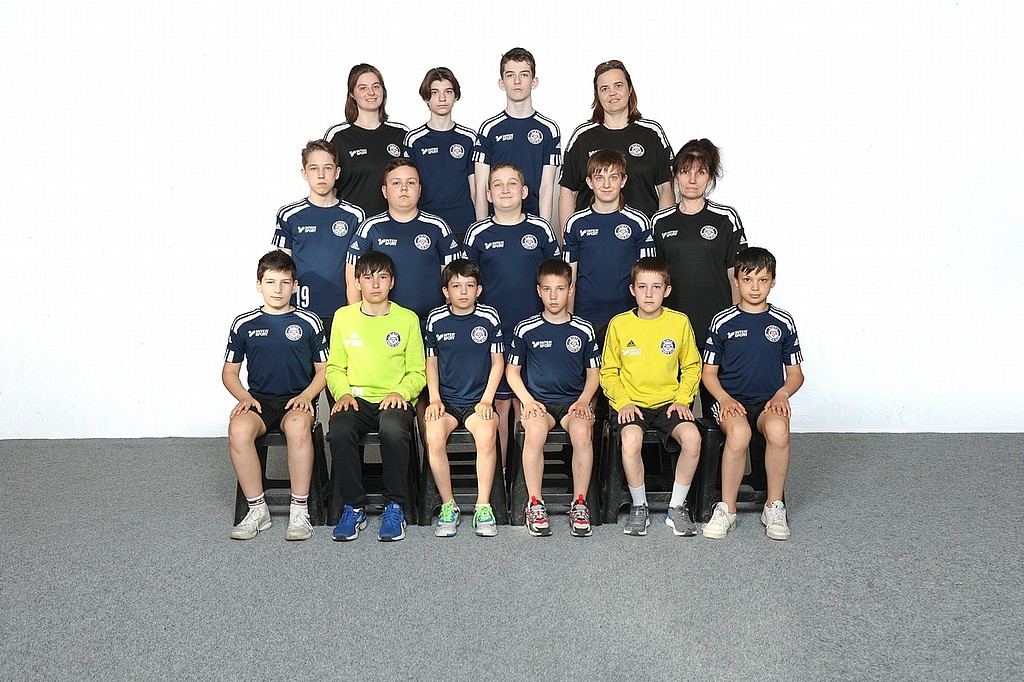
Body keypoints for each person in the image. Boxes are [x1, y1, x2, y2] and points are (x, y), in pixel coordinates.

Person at [222, 250, 328, 542]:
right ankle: (257, 510)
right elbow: (229, 372)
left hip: (297, 399)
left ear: (295, 286)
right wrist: (244, 397)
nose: (277, 289)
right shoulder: (244, 323)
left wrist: (307, 395)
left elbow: (324, 370)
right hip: (259, 401)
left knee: (297, 426)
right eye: (270, 282)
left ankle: (299, 510)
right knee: (238, 429)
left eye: (284, 282)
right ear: (259, 285)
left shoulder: (309, 321)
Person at [701, 247, 804, 541]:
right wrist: (724, 399)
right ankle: (727, 509)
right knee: (739, 434)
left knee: (779, 431)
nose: (755, 287)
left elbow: (796, 374)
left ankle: (774, 505)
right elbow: (708, 373)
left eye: (762, 280)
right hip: (732, 402)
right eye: (748, 280)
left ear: (773, 281)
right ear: (736, 281)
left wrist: (782, 394)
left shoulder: (783, 322)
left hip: (768, 402)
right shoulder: (722, 321)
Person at [463, 163, 560, 468]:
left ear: (525, 191)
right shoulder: (478, 233)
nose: (505, 190)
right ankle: (504, 476)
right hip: (494, 333)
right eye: (498, 185)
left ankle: (522, 476)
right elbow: (467, 283)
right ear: (488, 194)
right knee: (501, 403)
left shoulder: (541, 229)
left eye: (512, 184)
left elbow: (557, 278)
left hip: (535, 332)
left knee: (527, 403)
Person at [326, 251, 426, 542]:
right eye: (368, 277)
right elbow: (334, 368)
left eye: (382, 277)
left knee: (393, 429)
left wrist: (401, 392)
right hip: (355, 398)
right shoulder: (343, 317)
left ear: (392, 282)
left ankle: (394, 506)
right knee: (339, 429)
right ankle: (353, 507)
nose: (375, 284)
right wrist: (343, 393)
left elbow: (417, 372)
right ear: (357, 282)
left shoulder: (407, 319)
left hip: (393, 399)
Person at [600, 257, 703, 537]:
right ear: (632, 290)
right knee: (631, 440)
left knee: (692, 439)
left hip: (669, 402)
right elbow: (608, 371)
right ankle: (639, 506)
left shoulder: (679, 322)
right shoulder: (619, 324)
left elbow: (692, 366)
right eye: (642, 287)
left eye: (656, 287)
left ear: (667, 291)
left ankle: (677, 507)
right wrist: (623, 402)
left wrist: (682, 399)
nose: (649, 294)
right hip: (632, 403)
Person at [506, 259, 601, 537]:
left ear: (570, 290)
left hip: (573, 404)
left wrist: (584, 400)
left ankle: (579, 503)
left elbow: (594, 373)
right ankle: (535, 503)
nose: (553, 296)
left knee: (582, 433)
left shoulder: (583, 329)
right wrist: (527, 401)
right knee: (535, 432)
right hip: (540, 404)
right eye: (547, 289)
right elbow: (512, 372)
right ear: (538, 291)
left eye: (560, 289)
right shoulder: (526, 328)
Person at [651, 138, 747, 414]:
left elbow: (737, 275)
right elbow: (652, 280)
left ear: (710, 177)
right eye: (685, 172)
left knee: (721, 409)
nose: (692, 179)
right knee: (674, 411)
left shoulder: (726, 218)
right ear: (675, 176)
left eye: (700, 172)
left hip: (715, 327)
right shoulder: (660, 222)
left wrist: (736, 323)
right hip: (673, 329)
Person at [423, 259, 505, 538]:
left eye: (470, 286)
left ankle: (483, 506)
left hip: (478, 401)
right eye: (456, 286)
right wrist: (435, 399)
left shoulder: (489, 317)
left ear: (479, 290)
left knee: (487, 434)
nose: (463, 291)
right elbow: (431, 363)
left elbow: (498, 362)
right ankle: (449, 506)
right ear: (446, 291)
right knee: (433, 435)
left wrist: (487, 400)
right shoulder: (435, 319)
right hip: (446, 402)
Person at [272, 140, 364, 373]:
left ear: (337, 172)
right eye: (314, 168)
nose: (321, 175)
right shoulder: (289, 215)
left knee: (340, 380)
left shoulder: (355, 215)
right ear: (304, 173)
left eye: (327, 168)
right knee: (301, 382)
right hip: (300, 312)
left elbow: (361, 269)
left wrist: (358, 312)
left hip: (342, 313)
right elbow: (281, 268)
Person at [559, 59, 674, 232]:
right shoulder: (582, 137)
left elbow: (666, 189)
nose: (612, 93)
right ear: (597, 95)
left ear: (630, 89)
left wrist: (661, 236)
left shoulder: (651, 133)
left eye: (618, 86)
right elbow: (567, 192)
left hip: (642, 239)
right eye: (604, 89)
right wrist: (568, 241)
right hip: (592, 239)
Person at [345, 158, 462, 324]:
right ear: (385, 191)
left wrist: (450, 321)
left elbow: (456, 279)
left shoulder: (438, 226)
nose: (404, 188)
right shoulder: (370, 228)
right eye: (396, 183)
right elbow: (352, 281)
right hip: (382, 323)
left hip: (430, 323)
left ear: (419, 189)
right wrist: (360, 322)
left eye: (411, 183)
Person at [562, 148, 657, 342]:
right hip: (585, 315)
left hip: (628, 315)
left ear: (623, 181)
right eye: (599, 178)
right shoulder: (575, 223)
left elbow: (648, 274)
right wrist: (568, 320)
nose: (606, 184)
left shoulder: (639, 222)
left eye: (613, 177)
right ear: (589, 182)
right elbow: (568, 277)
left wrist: (645, 319)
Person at [473, 47, 560, 222]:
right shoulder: (488, 129)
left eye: (524, 75)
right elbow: (481, 188)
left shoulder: (549, 129)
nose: (517, 81)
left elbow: (546, 188)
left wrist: (544, 229)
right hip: (496, 223)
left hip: (533, 224)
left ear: (534, 82)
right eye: (510, 75)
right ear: (501, 83)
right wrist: (481, 228)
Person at [404, 67, 477, 242]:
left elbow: (475, 188)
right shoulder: (414, 140)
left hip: (463, 223)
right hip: (426, 225)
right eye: (435, 92)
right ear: (426, 98)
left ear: (456, 96)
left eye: (448, 92)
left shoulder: (469, 138)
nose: (442, 98)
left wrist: (478, 224)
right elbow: (410, 184)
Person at [324, 64, 408, 217]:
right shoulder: (338, 136)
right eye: (363, 88)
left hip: (393, 226)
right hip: (352, 225)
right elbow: (327, 187)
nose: (371, 92)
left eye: (376, 86)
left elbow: (414, 183)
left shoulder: (401, 134)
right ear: (352, 93)